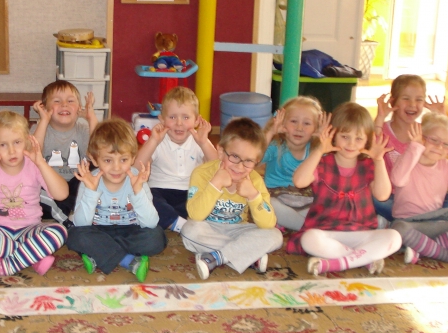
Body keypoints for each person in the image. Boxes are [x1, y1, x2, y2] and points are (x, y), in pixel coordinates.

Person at [289, 102, 402, 276]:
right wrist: (319, 150)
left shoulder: (369, 165)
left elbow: (382, 195)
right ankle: (364, 259)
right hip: (327, 233)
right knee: (309, 239)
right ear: (333, 135)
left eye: (359, 138)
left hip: (361, 233)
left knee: (394, 237)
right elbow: (299, 181)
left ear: (367, 141)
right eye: (345, 136)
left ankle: (337, 263)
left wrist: (379, 160)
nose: (351, 144)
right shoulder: (323, 163)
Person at [0, 111, 69, 277]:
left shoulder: (34, 165)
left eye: (17, 142)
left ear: (27, 141)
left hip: (30, 230)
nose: (12, 151)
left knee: (59, 231)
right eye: (3, 145)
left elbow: (62, 194)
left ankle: (6, 266)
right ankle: (32, 256)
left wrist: (41, 163)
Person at [181, 117, 283, 280]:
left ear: (256, 161)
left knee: (275, 235)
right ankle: (248, 255)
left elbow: (267, 223)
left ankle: (216, 257)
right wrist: (215, 184)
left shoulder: (255, 181)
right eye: (234, 156)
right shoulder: (202, 173)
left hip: (238, 230)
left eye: (248, 161)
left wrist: (253, 196)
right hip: (207, 228)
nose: (240, 166)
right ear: (221, 152)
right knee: (189, 231)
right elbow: (195, 215)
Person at [66, 118, 167, 282]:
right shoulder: (89, 180)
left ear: (133, 158)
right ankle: (128, 260)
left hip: (131, 230)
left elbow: (150, 223)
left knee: (156, 238)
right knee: (74, 235)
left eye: (123, 160)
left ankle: (99, 252)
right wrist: (91, 191)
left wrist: (138, 191)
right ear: (94, 159)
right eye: (108, 160)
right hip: (98, 230)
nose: (116, 167)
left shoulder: (137, 179)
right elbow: (81, 223)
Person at [389, 114, 448, 265]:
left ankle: (423, 248)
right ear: (421, 138)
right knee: (398, 229)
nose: (440, 147)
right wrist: (415, 148)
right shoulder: (407, 159)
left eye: (446, 144)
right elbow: (398, 180)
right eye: (434, 140)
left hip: (437, 222)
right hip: (411, 224)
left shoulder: (445, 166)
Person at [373, 74, 448, 223]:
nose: (413, 104)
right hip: (396, 199)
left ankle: (420, 224)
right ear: (393, 101)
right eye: (406, 98)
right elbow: (372, 144)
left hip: (426, 199)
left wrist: (443, 117)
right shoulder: (384, 132)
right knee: (374, 198)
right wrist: (380, 118)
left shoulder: (427, 132)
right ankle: (435, 222)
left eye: (419, 99)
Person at [134, 86, 217, 234]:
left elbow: (218, 167)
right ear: (161, 119)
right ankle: (181, 225)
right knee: (145, 199)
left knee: (210, 201)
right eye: (172, 117)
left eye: (186, 117)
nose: (179, 123)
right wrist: (153, 141)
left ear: (197, 121)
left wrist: (204, 143)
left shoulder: (199, 140)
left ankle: (172, 220)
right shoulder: (158, 140)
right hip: (159, 191)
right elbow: (135, 169)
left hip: (190, 193)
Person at [31, 80, 98, 224]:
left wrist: (91, 117)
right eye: (57, 101)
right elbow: (32, 154)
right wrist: (44, 120)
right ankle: (66, 212)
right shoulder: (39, 129)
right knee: (31, 188)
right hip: (49, 186)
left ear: (79, 108)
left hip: (76, 184)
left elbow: (98, 153)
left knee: (98, 165)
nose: (64, 104)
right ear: (44, 107)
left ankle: (64, 211)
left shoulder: (83, 130)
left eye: (70, 101)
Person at [261, 96, 324, 231]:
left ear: (316, 128)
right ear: (282, 123)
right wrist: (271, 132)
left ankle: (293, 224)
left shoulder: (315, 151)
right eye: (293, 121)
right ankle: (307, 228)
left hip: (305, 199)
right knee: (266, 204)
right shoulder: (276, 146)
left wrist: (323, 141)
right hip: (276, 197)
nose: (299, 128)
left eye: (307, 123)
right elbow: (254, 158)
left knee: (325, 204)